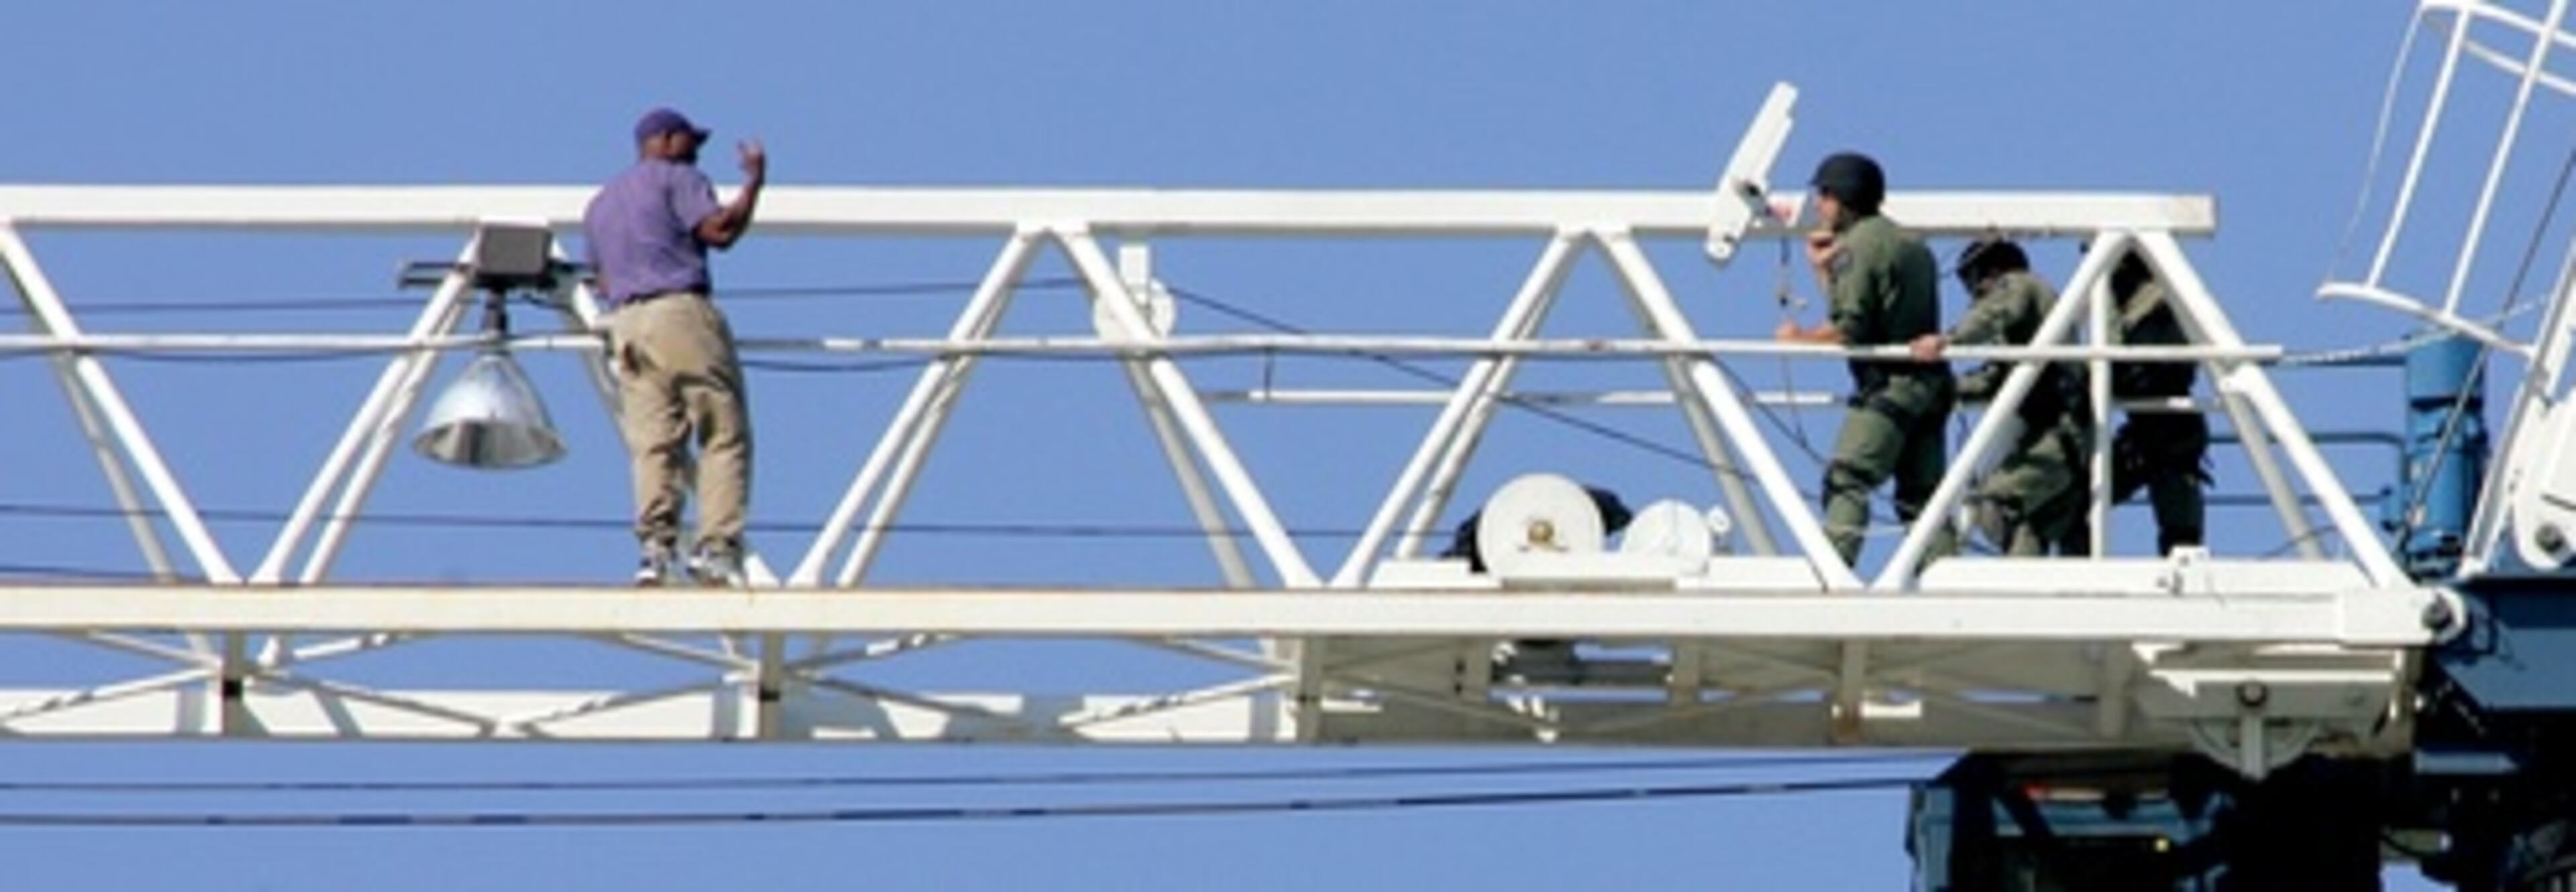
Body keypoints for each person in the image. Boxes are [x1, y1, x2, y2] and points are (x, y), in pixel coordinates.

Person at [583, 107, 767, 586]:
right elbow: (719, 232)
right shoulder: (677, 178)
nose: (698, 150)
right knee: (722, 428)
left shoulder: (601, 204)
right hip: (678, 315)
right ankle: (718, 548)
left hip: (627, 327)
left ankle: (655, 549)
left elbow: (601, 278)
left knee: (653, 444)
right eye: (691, 140)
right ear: (664, 140)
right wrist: (753, 185)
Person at [1776, 152, 1957, 568]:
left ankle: (1835, 568)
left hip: (1891, 388)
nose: (1819, 205)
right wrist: (1825, 273)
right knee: (1922, 495)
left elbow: (1850, 328)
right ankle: (1946, 573)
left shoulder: (1859, 247)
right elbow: (1877, 311)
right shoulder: (1911, 244)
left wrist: (1798, 338)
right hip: (1930, 388)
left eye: (1824, 194)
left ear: (1844, 197)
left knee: (1848, 476)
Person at [1909, 237, 2090, 556]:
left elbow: (1998, 312)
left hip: (2060, 433)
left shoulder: (2020, 286)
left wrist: (1948, 340)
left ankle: (2023, 586)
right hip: (2056, 435)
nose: (1974, 298)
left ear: (1988, 274)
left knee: (1996, 502)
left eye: (1974, 286)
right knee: (2035, 520)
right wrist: (1948, 388)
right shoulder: (2030, 324)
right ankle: (2034, 588)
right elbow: (1998, 379)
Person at [2106, 250, 2209, 554]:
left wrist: (2107, 310)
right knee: (2078, 500)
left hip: (2171, 434)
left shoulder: (2157, 307)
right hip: (2149, 432)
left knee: (2181, 535)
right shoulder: (2138, 309)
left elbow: (2123, 367)